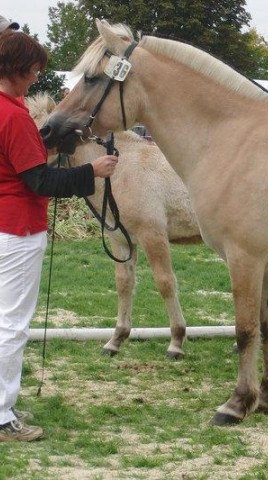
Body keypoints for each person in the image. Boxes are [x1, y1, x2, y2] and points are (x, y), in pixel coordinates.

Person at [0, 30, 118, 442]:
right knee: (12, 325)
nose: (35, 79)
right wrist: (92, 172)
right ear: (16, 70)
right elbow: (38, 181)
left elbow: (20, 165)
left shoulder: (5, 109)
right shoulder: (13, 116)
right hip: (17, 228)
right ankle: (1, 415)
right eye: (33, 71)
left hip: (4, 224)